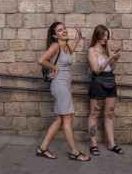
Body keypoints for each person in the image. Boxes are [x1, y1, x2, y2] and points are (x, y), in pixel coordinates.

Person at [37, 22, 91, 161]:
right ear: (55, 35)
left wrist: (78, 38)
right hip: (59, 84)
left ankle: (42, 148)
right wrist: (55, 69)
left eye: (64, 28)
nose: (64, 31)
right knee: (68, 118)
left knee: (61, 119)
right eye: (60, 30)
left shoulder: (64, 46)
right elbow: (41, 60)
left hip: (64, 84)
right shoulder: (55, 46)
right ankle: (74, 152)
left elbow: (70, 50)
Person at [87, 24, 124, 156]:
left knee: (109, 115)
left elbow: (111, 68)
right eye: (104, 36)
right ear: (97, 35)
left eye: (107, 37)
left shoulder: (105, 49)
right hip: (98, 83)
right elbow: (97, 70)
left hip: (110, 81)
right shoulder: (92, 50)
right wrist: (109, 58)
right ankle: (93, 144)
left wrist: (114, 60)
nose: (105, 39)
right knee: (94, 114)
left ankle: (111, 144)